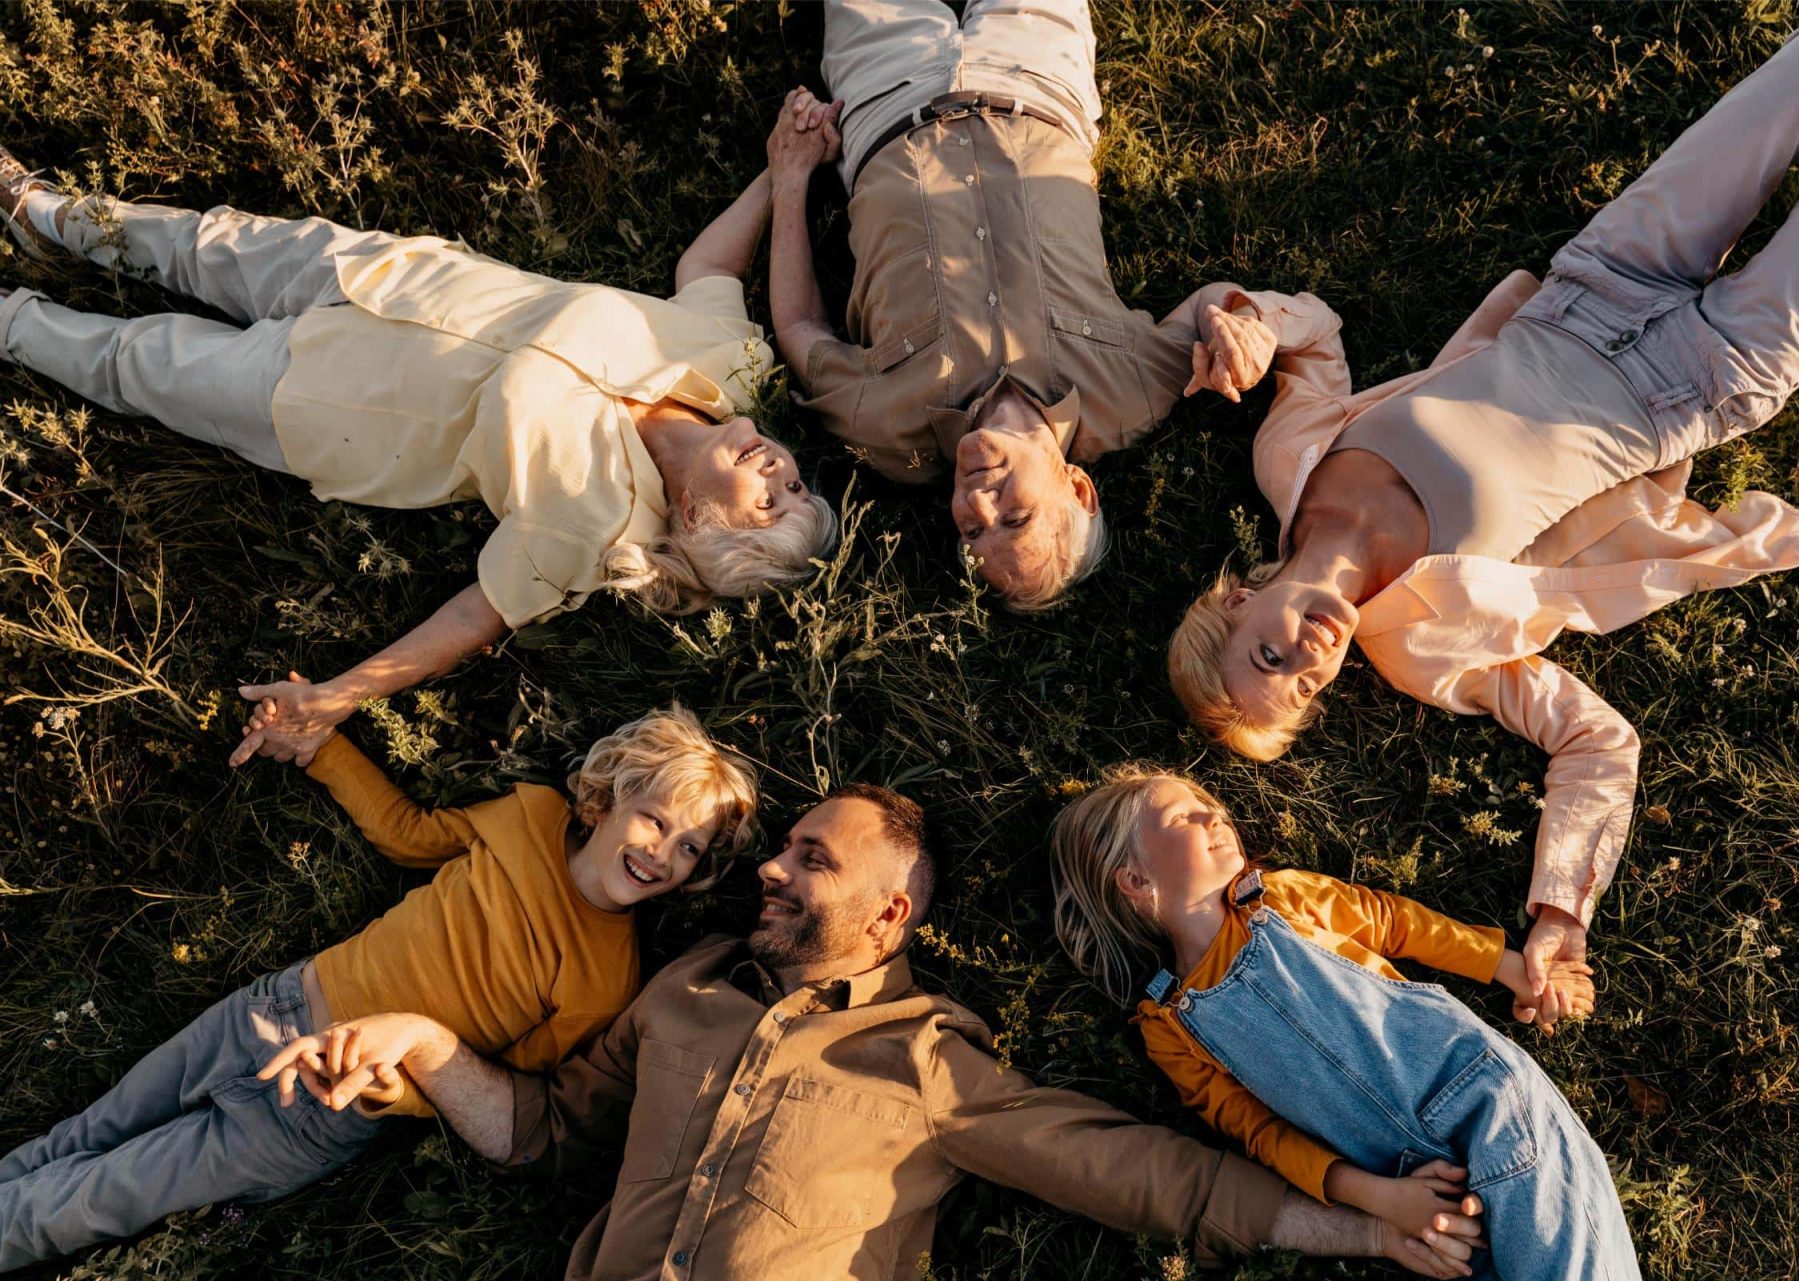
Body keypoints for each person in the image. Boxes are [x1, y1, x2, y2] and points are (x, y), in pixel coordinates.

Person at [1167, 6, 1799, 1020]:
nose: (1307, 666)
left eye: (1268, 661)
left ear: (1238, 598)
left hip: (1600, 281)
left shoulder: (1289, 457)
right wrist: (1560, 911)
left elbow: (1316, 338)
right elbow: (1592, 738)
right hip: (1704, 380)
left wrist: (1250, 325)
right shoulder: (1426, 649)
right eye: (1303, 694)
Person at [260, 786, 1486, 1280]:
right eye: (783, 852)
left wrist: (1366, 1230)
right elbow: (544, 1135)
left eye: (811, 858)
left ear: (890, 911)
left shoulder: (929, 1059)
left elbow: (1141, 1175)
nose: (771, 875)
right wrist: (423, 1043)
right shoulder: (686, 991)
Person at [0, 147, 838, 768]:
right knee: (198, 241)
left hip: (327, 403)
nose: (777, 470)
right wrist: (784, 166)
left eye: (772, 503)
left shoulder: (599, 530)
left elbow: (475, 617)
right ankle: (43, 213)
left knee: (135, 363)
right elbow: (707, 266)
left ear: (696, 519)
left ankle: (11, 319)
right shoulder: (735, 368)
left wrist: (339, 694)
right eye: (796, 480)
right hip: (391, 275)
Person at [0, 704, 758, 1272]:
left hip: (321, 1105)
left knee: (96, 1198)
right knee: (85, 1134)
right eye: (653, 820)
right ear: (603, 802)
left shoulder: (606, 980)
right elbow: (409, 833)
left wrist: (389, 1090)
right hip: (275, 1004)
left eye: (689, 848)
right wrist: (323, 746)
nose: (662, 853)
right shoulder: (528, 816)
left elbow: (497, 1088)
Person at [765, 0, 1297, 610]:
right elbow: (1209, 305)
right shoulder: (1129, 397)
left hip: (887, 96)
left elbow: (800, 325)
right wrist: (1239, 325)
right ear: (1078, 489)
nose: (977, 503)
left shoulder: (884, 429)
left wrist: (791, 176)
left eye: (970, 530)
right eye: (1014, 517)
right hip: (1035, 76)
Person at [1049, 766, 1636, 1280]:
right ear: (1134, 881)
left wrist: (1510, 968)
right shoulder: (1168, 1025)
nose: (1214, 816)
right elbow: (1260, 1135)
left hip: (1487, 1100)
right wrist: (1382, 1200)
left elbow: (1392, 922)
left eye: (1214, 808)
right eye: (1184, 816)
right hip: (1420, 1185)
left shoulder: (1276, 898)